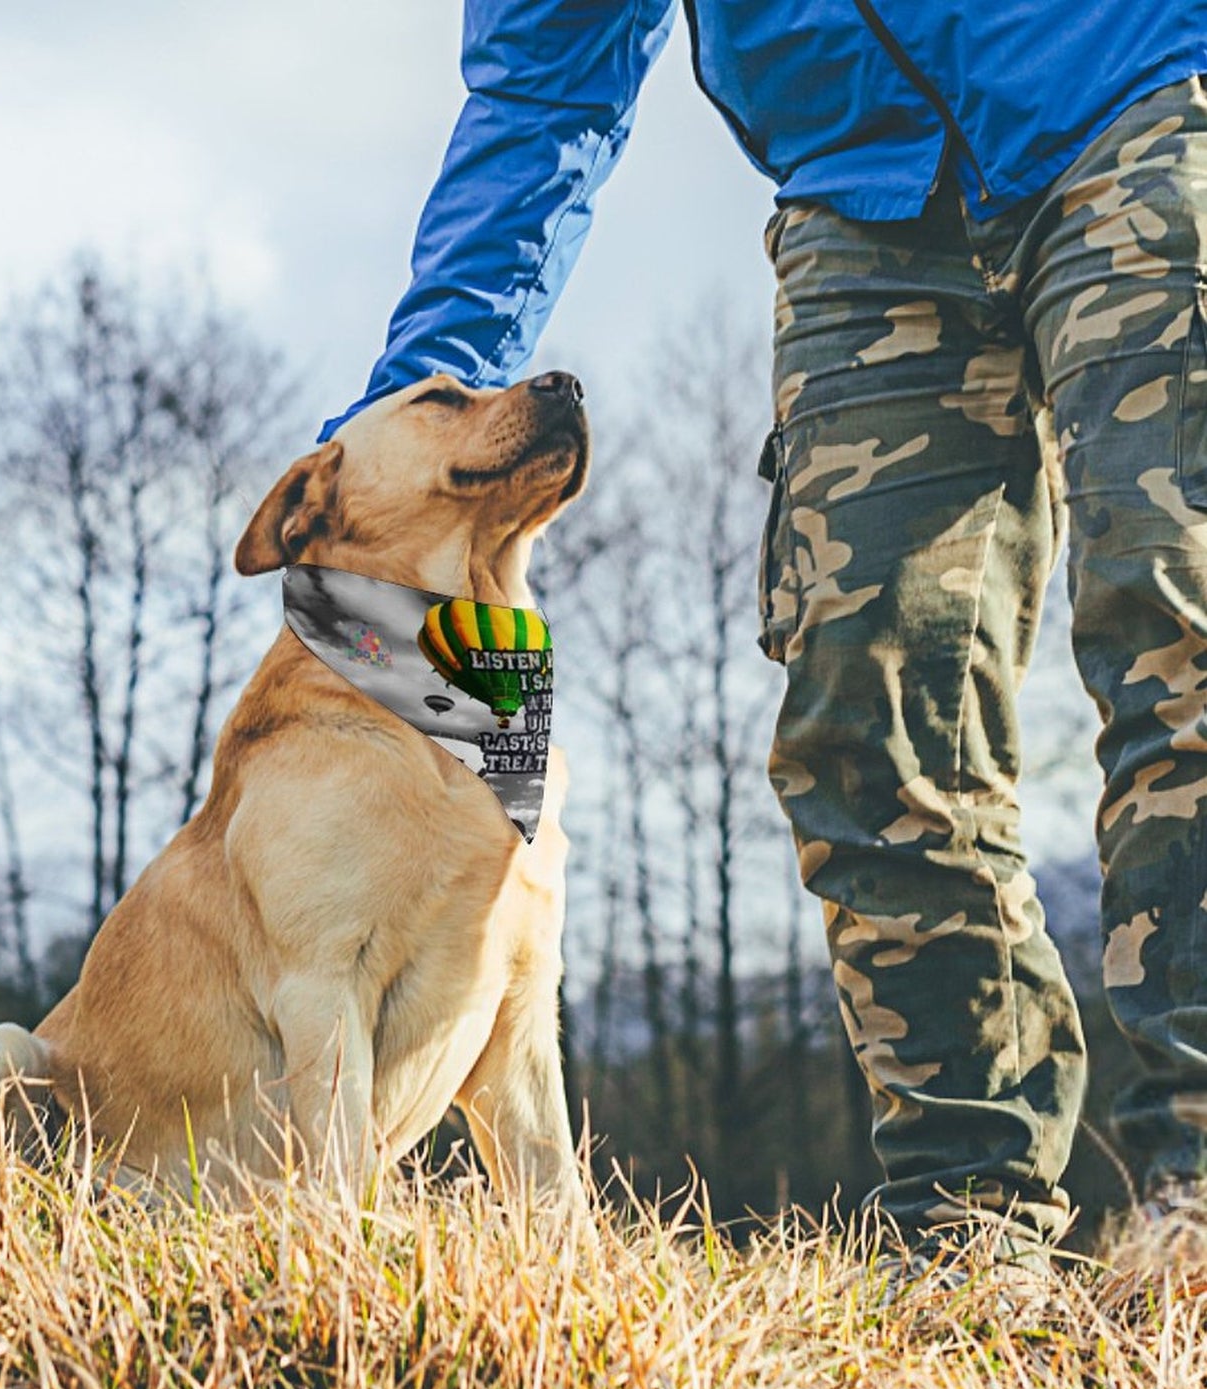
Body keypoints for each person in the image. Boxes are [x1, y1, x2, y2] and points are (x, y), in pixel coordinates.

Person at [321, 0, 1207, 1264]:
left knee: (1176, 621)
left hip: (1131, 86)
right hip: (862, 199)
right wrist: (412, 420)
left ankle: (1196, 1200)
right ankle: (967, 1230)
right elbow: (541, 92)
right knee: (867, 719)